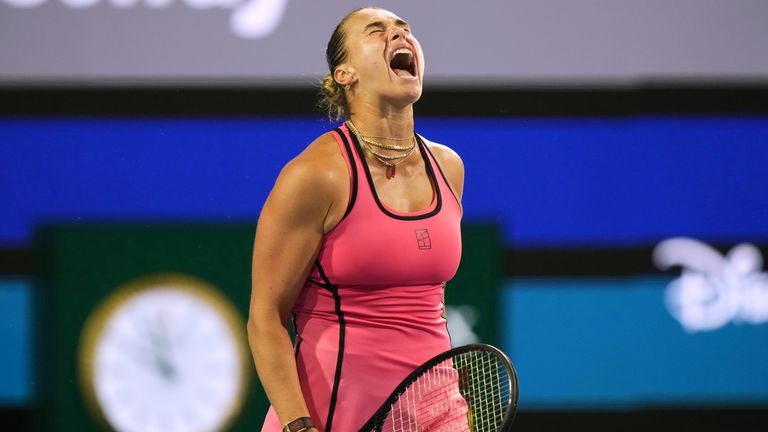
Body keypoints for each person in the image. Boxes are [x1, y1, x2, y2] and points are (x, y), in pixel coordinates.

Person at [247, 7, 465, 432]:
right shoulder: (315, 176)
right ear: (344, 73)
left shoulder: (448, 167)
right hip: (331, 417)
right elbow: (266, 317)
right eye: (377, 31)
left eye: (405, 30)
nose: (400, 36)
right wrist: (298, 425)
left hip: (438, 413)